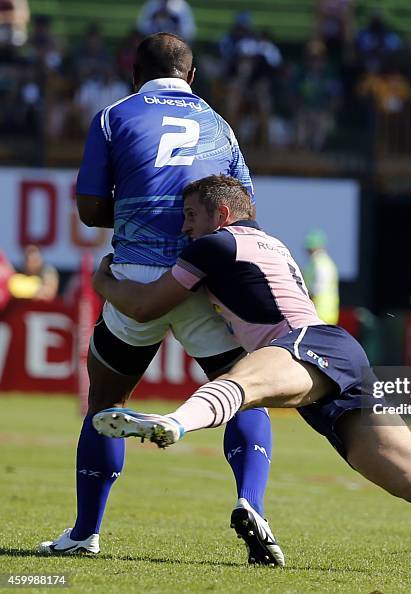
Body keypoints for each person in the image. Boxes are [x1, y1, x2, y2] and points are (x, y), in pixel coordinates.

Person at [91, 175, 411, 532]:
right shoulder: (265, 243)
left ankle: (174, 425)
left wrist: (103, 277)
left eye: (190, 216)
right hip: (337, 351)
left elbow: (142, 307)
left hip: (303, 345)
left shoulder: (215, 245)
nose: (184, 228)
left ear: (222, 214)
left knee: (245, 384)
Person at [39, 33, 282, 566]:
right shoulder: (220, 124)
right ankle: (251, 501)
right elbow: (244, 210)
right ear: (191, 78)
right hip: (207, 274)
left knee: (106, 400)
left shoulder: (113, 116)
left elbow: (88, 208)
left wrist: (132, 214)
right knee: (244, 390)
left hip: (138, 274)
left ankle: (85, 532)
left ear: (134, 74)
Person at [303, 229, 339, 325]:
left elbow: (316, 289)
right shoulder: (324, 262)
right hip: (327, 313)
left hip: (319, 313)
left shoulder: (319, 264)